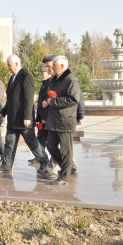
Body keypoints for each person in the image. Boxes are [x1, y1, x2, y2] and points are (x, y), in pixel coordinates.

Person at [0, 55, 49, 174]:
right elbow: (11, 100)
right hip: (13, 119)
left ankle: (44, 162)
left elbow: (28, 99)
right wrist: (2, 112)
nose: (8, 67)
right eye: (7, 65)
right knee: (9, 143)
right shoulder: (13, 78)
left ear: (17, 64)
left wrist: (27, 117)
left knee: (32, 143)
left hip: (24, 120)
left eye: (9, 65)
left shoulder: (26, 76)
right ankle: (6, 166)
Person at [43, 55, 80, 185]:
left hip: (65, 120)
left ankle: (64, 177)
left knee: (66, 150)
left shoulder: (70, 80)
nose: (52, 68)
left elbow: (74, 99)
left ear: (63, 66)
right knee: (51, 147)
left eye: (54, 66)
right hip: (54, 120)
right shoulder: (56, 79)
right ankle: (68, 167)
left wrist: (53, 101)